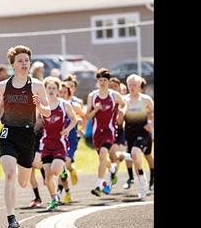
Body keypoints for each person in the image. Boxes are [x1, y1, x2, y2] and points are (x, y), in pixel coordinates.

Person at [0, 45, 50, 228]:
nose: (24, 64)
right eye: (20, 61)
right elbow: (2, 107)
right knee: (9, 174)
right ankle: (11, 218)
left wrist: (39, 105)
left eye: (27, 60)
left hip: (27, 135)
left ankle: (29, 174)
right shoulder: (4, 85)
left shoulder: (37, 85)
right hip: (8, 133)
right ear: (13, 65)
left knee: (23, 182)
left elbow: (48, 112)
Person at [85, 68, 125, 197]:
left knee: (103, 153)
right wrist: (96, 109)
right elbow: (88, 116)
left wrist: (120, 113)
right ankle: (112, 168)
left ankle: (99, 185)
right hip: (97, 133)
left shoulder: (114, 95)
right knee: (103, 158)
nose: (102, 82)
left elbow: (124, 104)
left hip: (110, 131)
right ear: (97, 81)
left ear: (108, 81)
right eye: (100, 80)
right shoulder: (93, 96)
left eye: (104, 80)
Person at [39, 77, 77, 210]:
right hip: (46, 143)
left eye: (53, 88)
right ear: (45, 89)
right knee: (47, 177)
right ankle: (54, 197)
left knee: (55, 171)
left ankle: (63, 170)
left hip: (60, 143)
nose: (51, 90)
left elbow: (74, 119)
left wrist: (67, 129)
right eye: (48, 88)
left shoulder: (64, 104)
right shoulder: (42, 105)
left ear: (58, 90)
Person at [118, 74, 154, 199]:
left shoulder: (146, 99)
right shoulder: (124, 100)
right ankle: (142, 179)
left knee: (135, 153)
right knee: (135, 158)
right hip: (129, 133)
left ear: (139, 85)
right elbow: (119, 120)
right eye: (130, 85)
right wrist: (120, 117)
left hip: (143, 133)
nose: (132, 87)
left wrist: (150, 123)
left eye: (134, 85)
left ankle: (144, 182)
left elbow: (151, 112)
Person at [58, 82, 85, 191]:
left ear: (69, 94)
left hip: (71, 140)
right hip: (59, 141)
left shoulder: (74, 106)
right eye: (60, 92)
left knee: (64, 163)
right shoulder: (55, 105)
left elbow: (84, 117)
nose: (62, 94)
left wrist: (81, 129)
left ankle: (61, 193)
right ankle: (66, 190)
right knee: (63, 166)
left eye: (65, 92)